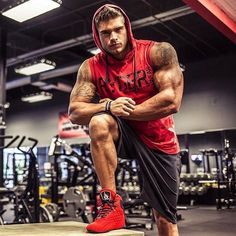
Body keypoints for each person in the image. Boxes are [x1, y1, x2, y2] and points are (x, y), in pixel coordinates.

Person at [68, 4, 183, 236]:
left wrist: (125, 110)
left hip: (158, 139)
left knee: (164, 218)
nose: (113, 37)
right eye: (105, 33)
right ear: (97, 36)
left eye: (118, 30)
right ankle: (111, 207)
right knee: (98, 122)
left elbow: (171, 101)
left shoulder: (157, 52)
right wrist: (109, 105)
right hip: (122, 133)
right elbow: (75, 112)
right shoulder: (90, 67)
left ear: (127, 28)